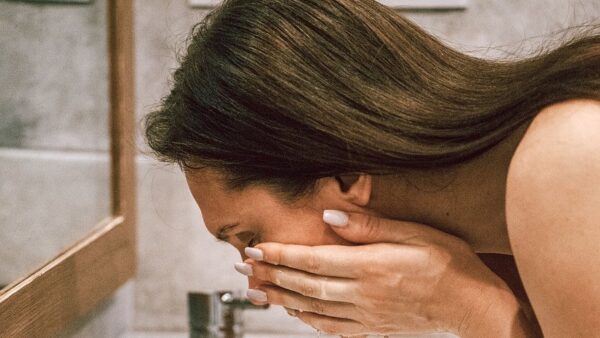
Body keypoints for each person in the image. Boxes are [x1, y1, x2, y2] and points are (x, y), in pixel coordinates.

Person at [143, 0, 600, 336]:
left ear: (345, 173)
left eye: (251, 238)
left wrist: (465, 306)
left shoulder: (568, 157)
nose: (258, 277)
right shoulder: (508, 240)